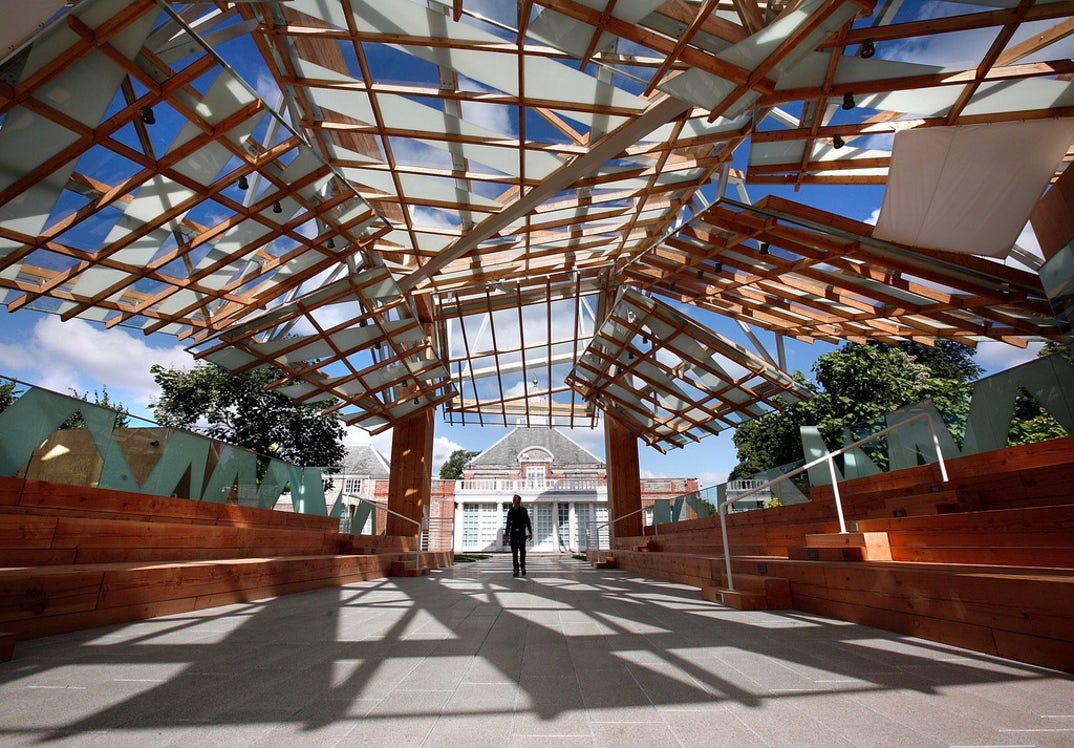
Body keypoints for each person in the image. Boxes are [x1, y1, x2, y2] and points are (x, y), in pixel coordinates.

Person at [504, 494, 532, 577]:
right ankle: (516, 569)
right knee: (514, 553)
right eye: (513, 498)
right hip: (513, 534)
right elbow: (508, 523)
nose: (513, 499)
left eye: (515, 498)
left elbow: (527, 521)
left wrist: (530, 532)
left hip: (521, 534)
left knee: (522, 551)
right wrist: (506, 534)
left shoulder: (523, 510)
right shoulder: (511, 511)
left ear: (519, 500)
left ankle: (522, 566)